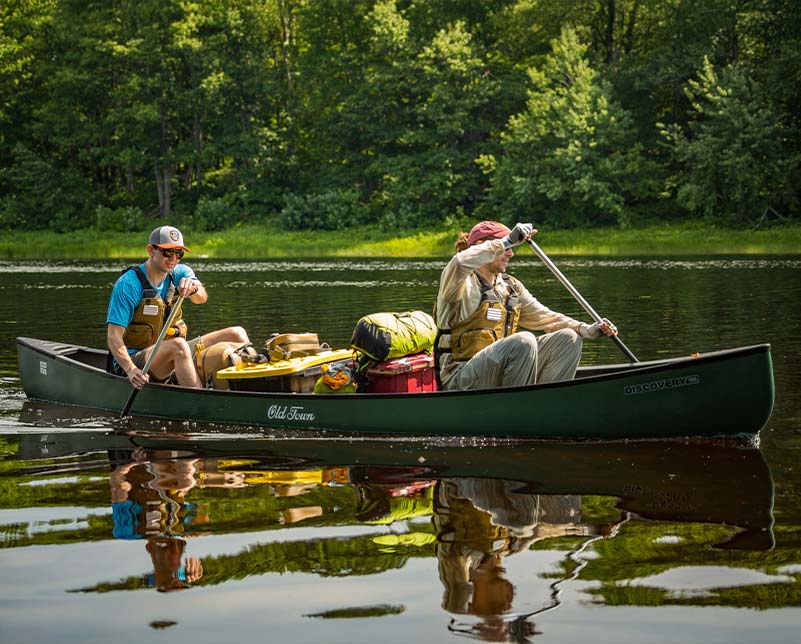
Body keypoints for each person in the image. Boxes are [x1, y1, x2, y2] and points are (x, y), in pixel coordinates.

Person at [434, 220, 618, 390]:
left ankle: (546, 405)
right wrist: (506, 241)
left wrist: (586, 329)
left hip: (496, 372)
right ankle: (519, 409)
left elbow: (546, 317)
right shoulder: (460, 282)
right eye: (507, 246)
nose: (510, 253)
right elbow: (460, 262)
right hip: (460, 378)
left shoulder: (509, 286)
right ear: (481, 245)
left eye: (511, 246)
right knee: (524, 341)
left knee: (569, 338)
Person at [106, 225, 250, 389]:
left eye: (178, 253)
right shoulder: (128, 285)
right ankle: (199, 402)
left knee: (237, 334)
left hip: (171, 351)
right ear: (150, 250)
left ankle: (248, 389)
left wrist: (193, 289)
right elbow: (113, 337)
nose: (173, 258)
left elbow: (201, 297)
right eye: (167, 252)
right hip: (135, 361)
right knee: (179, 346)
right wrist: (131, 370)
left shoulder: (180, 272)